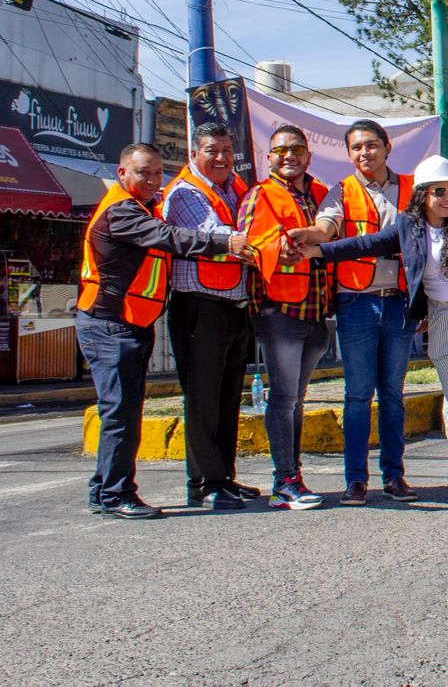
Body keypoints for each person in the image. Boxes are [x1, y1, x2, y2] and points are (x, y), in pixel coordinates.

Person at [296, 155, 448, 505]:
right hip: (444, 318)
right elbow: (366, 244)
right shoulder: (408, 225)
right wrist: (318, 251)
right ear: (422, 193)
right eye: (439, 191)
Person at [77, 144, 248, 519]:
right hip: (110, 324)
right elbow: (172, 237)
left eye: (158, 173)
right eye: (144, 172)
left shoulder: (142, 207)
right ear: (122, 173)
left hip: (129, 323)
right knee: (121, 414)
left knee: (122, 411)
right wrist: (226, 241)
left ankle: (103, 490)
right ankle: (116, 494)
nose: (154, 181)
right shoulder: (122, 211)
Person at [293, 120, 420, 506]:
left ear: (387, 147)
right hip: (356, 302)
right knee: (358, 394)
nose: (365, 153)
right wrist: (309, 236)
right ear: (349, 154)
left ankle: (394, 476)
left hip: (399, 302)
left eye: (371, 145)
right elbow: (326, 227)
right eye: (357, 148)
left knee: (393, 394)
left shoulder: (412, 189)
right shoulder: (341, 191)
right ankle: (356, 481)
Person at [237, 124, 336, 510]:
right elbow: (247, 246)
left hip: (316, 310)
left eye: (296, 149)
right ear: (270, 158)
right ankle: (285, 482)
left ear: (308, 156)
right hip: (279, 310)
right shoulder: (260, 195)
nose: (289, 156)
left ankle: (293, 476)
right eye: (281, 150)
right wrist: (279, 250)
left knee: (297, 398)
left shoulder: (322, 194)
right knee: (283, 397)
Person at [160, 122, 257, 511]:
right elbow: (217, 234)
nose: (221, 158)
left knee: (228, 396)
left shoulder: (234, 187)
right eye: (212, 151)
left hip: (234, 304)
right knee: (202, 398)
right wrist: (260, 241)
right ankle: (204, 483)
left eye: (226, 151)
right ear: (194, 154)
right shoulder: (185, 192)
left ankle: (224, 476)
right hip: (199, 306)